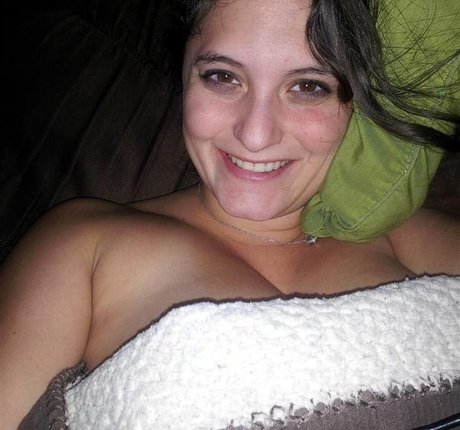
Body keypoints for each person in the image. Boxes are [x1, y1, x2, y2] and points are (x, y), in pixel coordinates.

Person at [1, 0, 459, 427]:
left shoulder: (406, 235)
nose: (255, 135)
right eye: (222, 77)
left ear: (355, 106)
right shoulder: (84, 243)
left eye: (308, 87)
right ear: (184, 75)